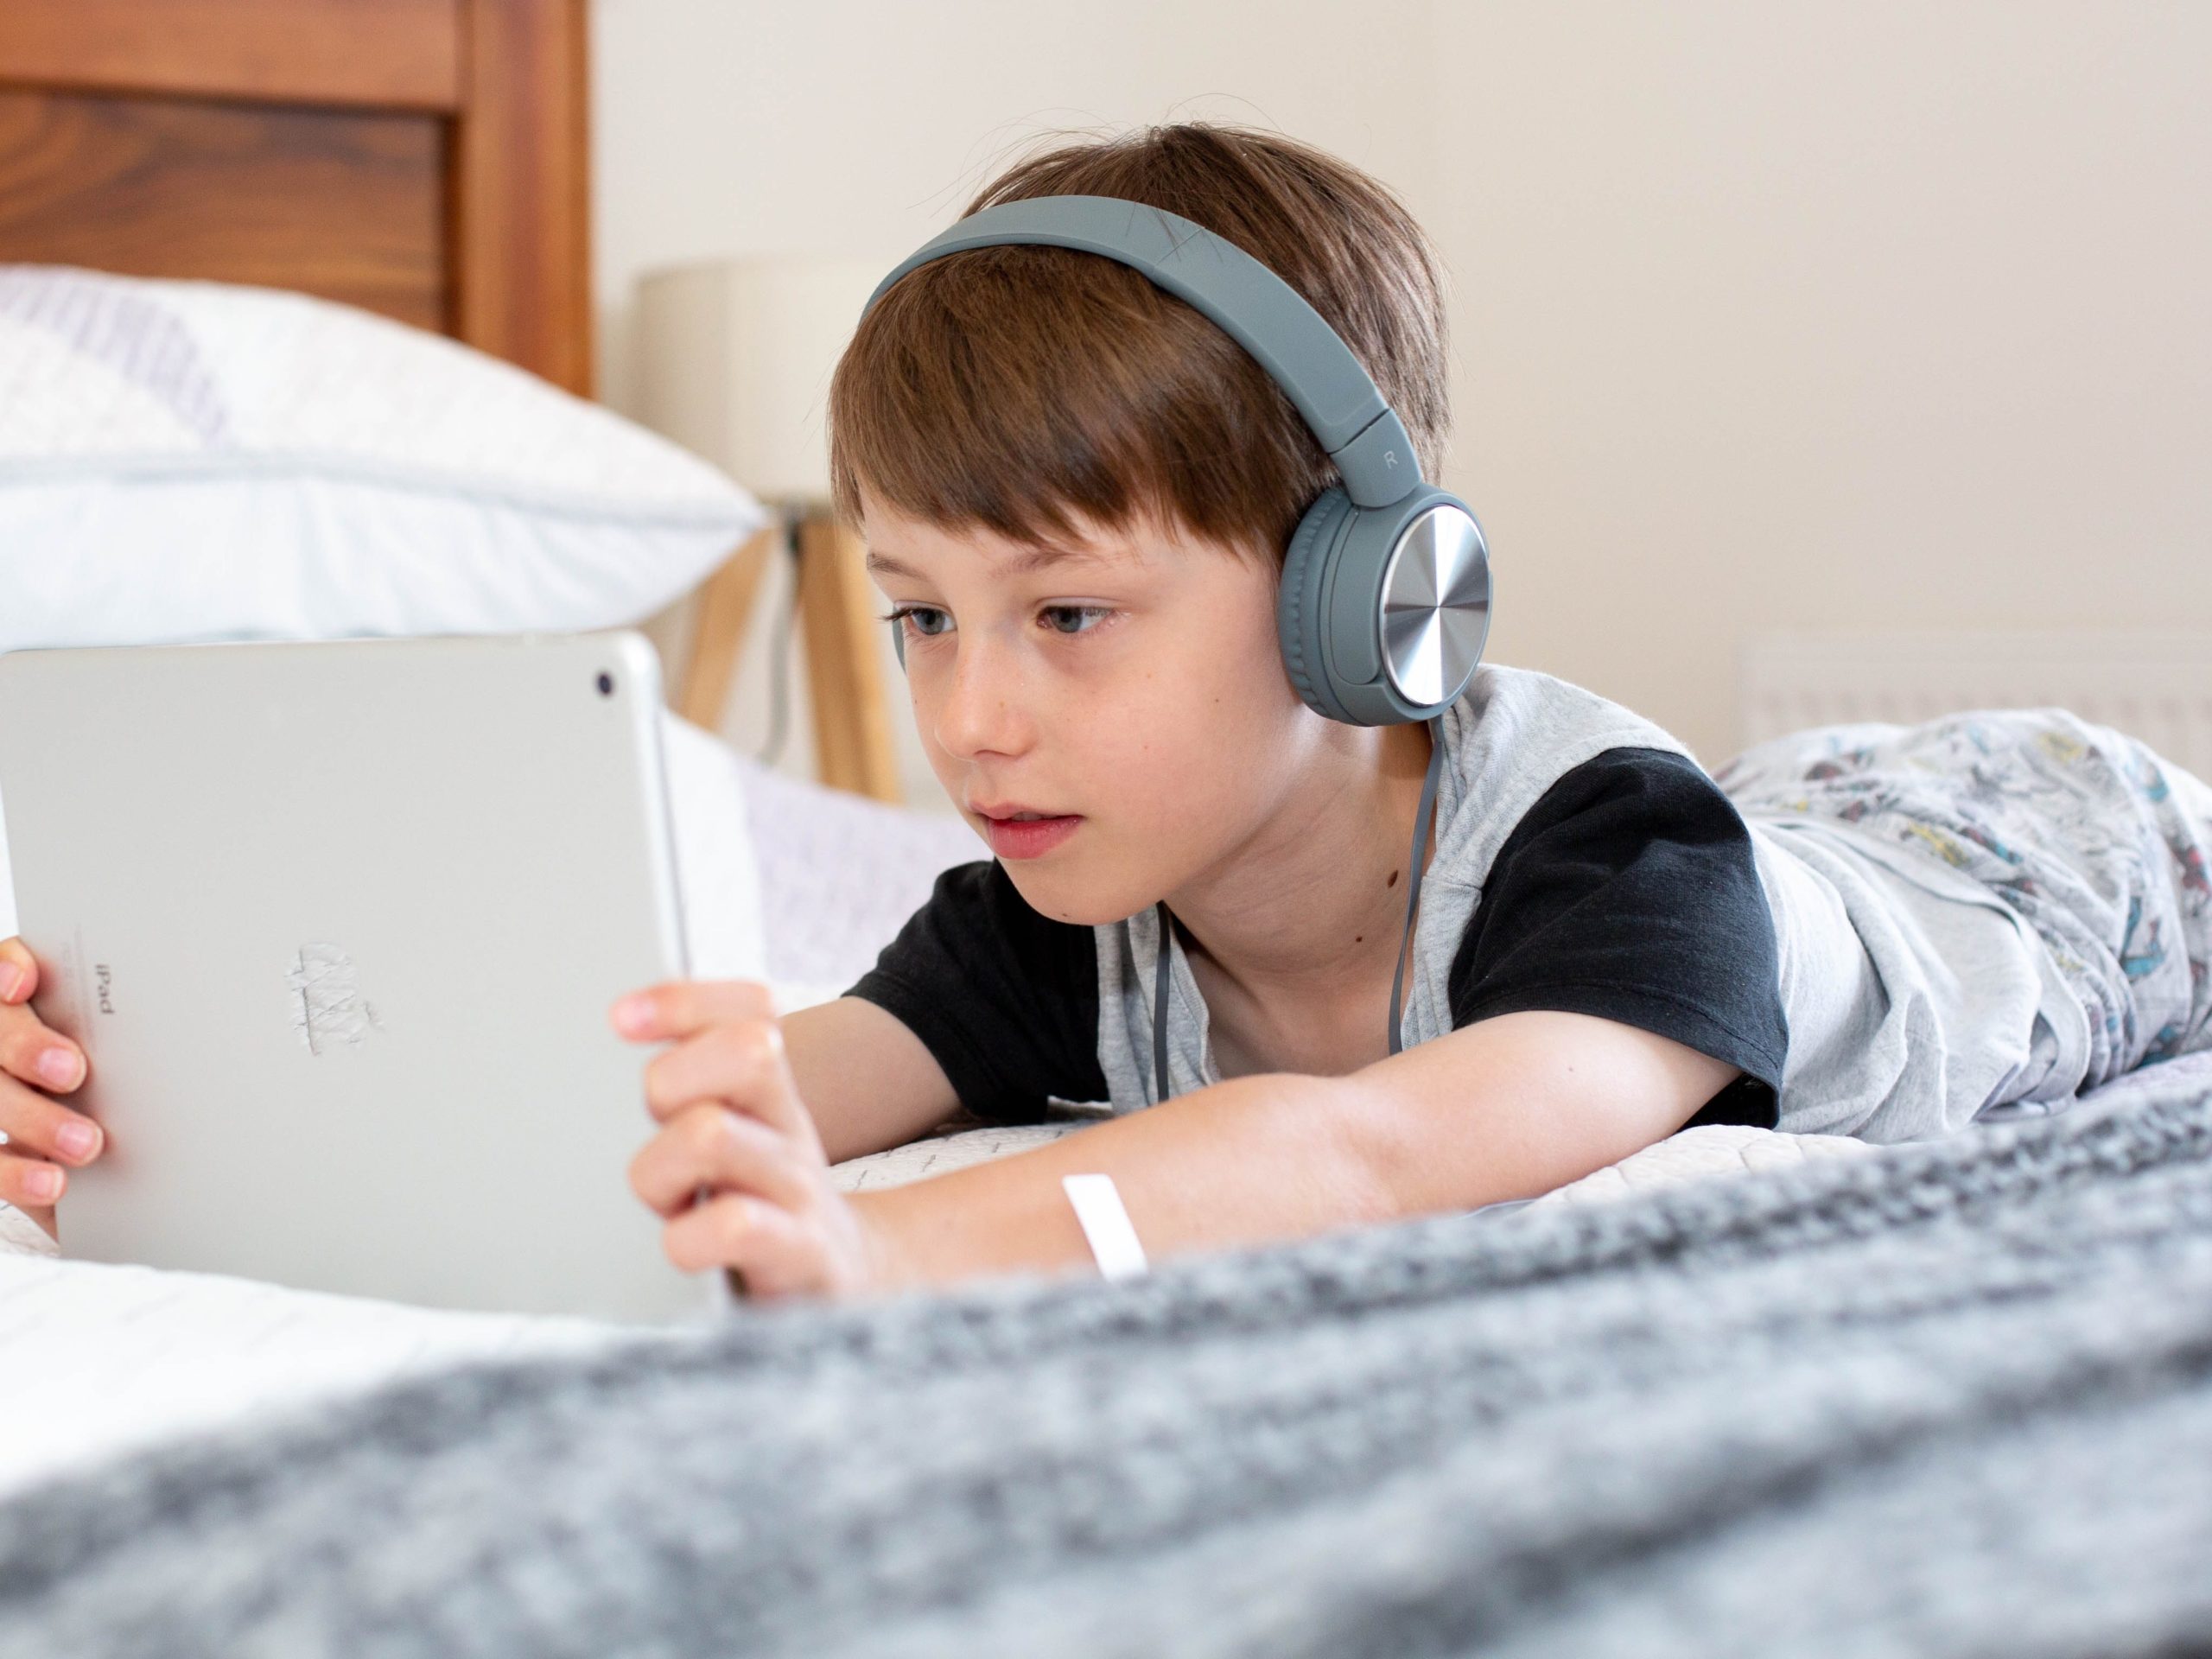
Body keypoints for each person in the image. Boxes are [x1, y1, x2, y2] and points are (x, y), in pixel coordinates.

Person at [4, 125, 2209, 1300]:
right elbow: (717, 1112)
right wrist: (161, 1124)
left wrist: (889, 1255)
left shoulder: (1615, 871)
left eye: (1066, 616)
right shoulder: (1047, 913)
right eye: (918, 620)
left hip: (2033, 854)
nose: (974, 722)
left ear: (1371, 604)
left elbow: (1365, 1147)